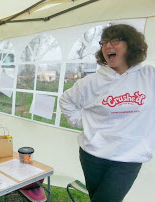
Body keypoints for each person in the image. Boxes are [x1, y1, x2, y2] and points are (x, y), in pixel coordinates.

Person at [59, 24, 153, 201]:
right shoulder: (92, 82)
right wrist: (85, 123)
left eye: (115, 40)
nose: (108, 46)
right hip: (93, 156)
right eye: (104, 42)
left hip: (129, 157)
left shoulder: (149, 76)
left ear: (131, 45)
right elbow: (66, 101)